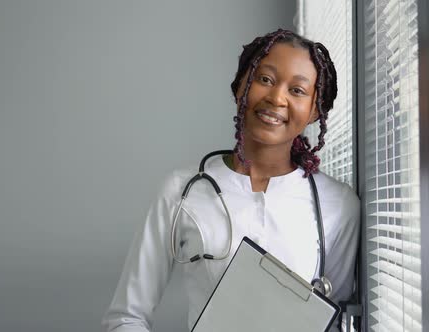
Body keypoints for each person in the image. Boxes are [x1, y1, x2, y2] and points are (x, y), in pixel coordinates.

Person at [102, 29, 360, 332]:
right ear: (240, 86)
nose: (277, 98)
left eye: (298, 91)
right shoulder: (181, 191)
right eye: (265, 79)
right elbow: (125, 318)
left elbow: (333, 319)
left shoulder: (338, 206)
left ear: (316, 111)